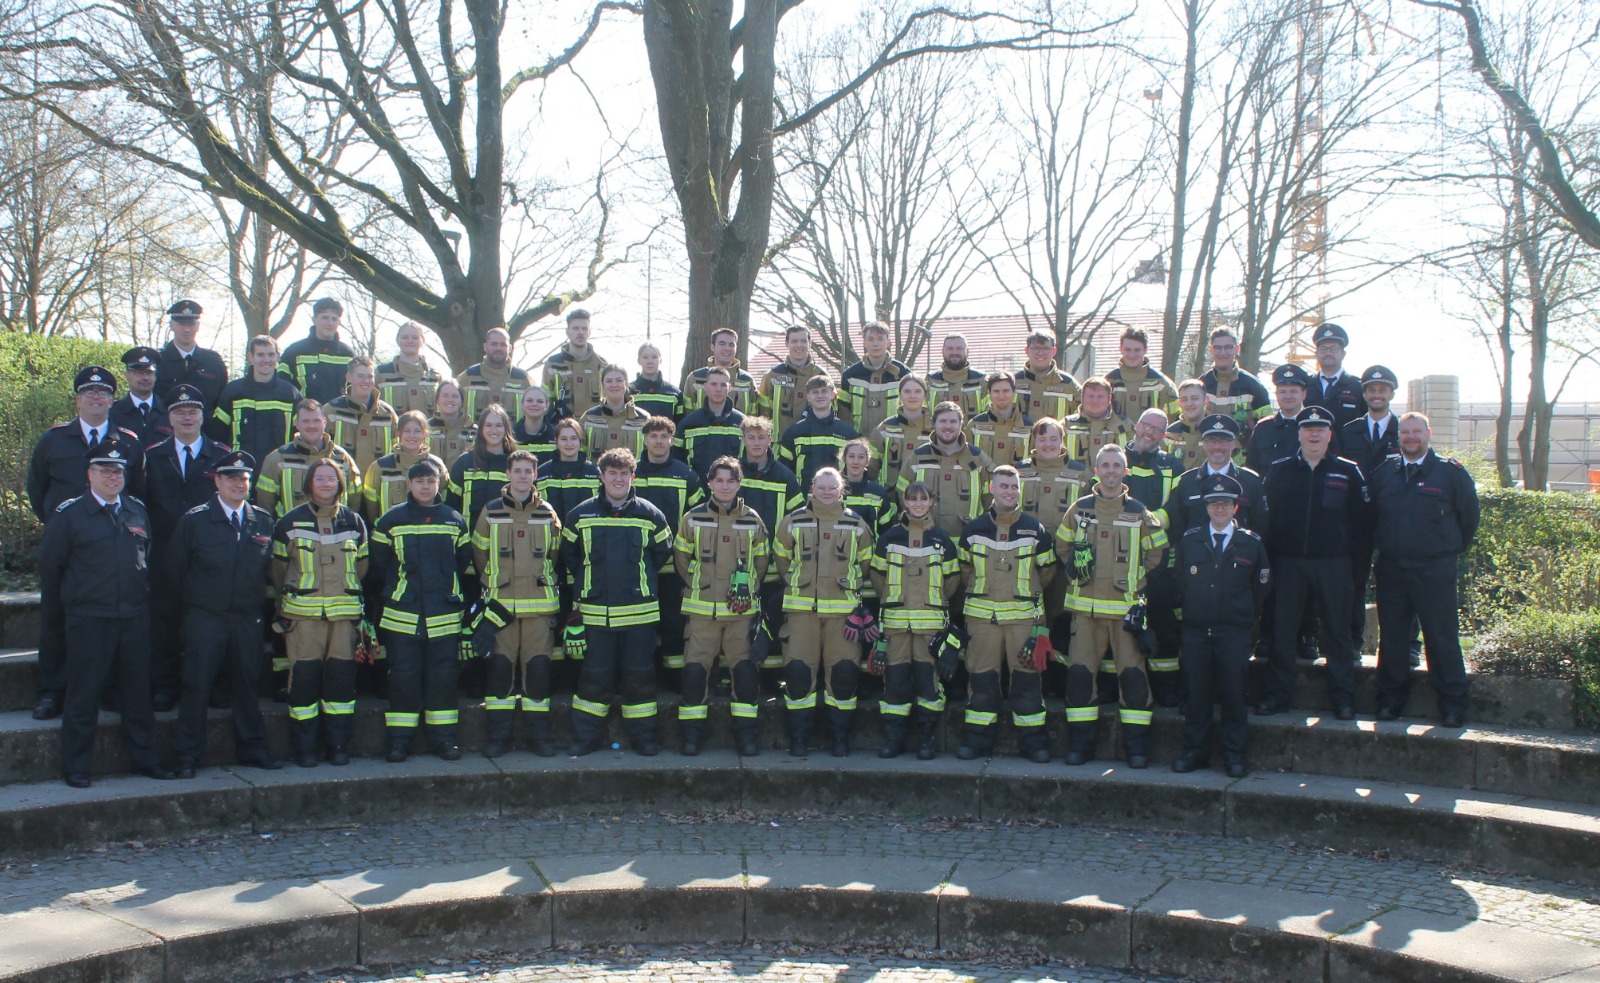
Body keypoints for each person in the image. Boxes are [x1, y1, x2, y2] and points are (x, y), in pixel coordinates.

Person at [39, 437, 174, 788]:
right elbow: (51, 570)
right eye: (105, 470)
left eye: (118, 470)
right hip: (89, 618)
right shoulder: (69, 514)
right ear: (89, 474)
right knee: (83, 695)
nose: (113, 476)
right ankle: (78, 767)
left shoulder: (135, 510)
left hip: (132, 617)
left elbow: (148, 559)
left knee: (137, 695)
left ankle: (146, 760)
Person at [27, 367, 145, 721]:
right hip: (67, 545)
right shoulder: (54, 440)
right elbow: (37, 490)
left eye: (104, 393)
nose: (97, 398)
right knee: (55, 617)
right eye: (89, 392)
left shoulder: (129, 442)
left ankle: (107, 688)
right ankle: (53, 691)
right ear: (77, 398)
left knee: (111, 622)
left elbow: (136, 491)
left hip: (111, 547)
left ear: (113, 399)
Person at [168, 450, 279, 777]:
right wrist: (183, 619)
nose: (238, 484)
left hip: (247, 618)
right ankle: (187, 755)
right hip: (206, 618)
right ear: (217, 481)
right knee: (197, 686)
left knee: (247, 686)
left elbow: (270, 570)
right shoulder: (195, 520)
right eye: (231, 478)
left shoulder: (262, 520)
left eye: (243, 479)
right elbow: (174, 573)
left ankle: (253, 748)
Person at [1058, 444, 1168, 768]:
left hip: (1125, 615)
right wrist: (1075, 571)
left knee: (1134, 681)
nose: (1110, 471)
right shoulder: (1079, 509)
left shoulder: (1138, 511)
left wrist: (1135, 580)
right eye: (1104, 465)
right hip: (1085, 613)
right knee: (1079, 679)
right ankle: (1080, 747)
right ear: (1096, 470)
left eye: (1116, 465)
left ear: (1125, 470)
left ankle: (1136, 750)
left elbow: (1157, 552)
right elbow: (1062, 546)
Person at [1258, 405, 1370, 719]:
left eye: (1320, 429)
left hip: (1334, 564)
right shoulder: (1279, 471)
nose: (1314, 434)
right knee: (1283, 632)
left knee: (1337, 632)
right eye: (1308, 429)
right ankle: (1278, 696)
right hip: (1288, 563)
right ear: (1299, 434)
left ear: (1330, 434)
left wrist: (1357, 569)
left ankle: (1343, 699)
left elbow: (1363, 525)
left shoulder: (1348, 471)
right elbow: (1266, 521)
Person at [560, 447, 675, 756]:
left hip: (639, 615)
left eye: (624, 473)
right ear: (602, 476)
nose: (618, 479)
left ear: (632, 476)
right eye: (612, 473)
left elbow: (663, 553)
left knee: (640, 679)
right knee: (593, 679)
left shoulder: (650, 514)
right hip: (595, 615)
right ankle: (586, 738)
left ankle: (643, 739)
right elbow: (569, 556)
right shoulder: (580, 514)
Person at [1370, 412, 1480, 727]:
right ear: (1398, 436)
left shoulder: (1450, 473)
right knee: (1392, 638)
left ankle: (1452, 705)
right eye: (1405, 432)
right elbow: (1373, 519)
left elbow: (1469, 519)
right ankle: (1390, 700)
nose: (1410, 437)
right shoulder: (1384, 474)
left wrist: (1446, 551)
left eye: (1416, 431)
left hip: (1435, 569)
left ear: (1428, 433)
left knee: (1441, 637)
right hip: (1392, 569)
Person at [369, 458, 473, 762]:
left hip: (443, 615)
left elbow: (462, 561)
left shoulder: (454, 519)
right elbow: (378, 565)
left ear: (439, 482)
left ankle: (444, 740)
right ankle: (399, 741)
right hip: (403, 615)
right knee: (403, 677)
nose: (425, 486)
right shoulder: (391, 520)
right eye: (419, 481)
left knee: (443, 678)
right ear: (409, 484)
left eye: (431, 480)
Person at [1171, 474, 1271, 778]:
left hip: (1233, 632)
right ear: (1206, 507)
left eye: (1225, 504)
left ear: (1235, 507)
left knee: (1233, 695)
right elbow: (1179, 583)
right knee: (1196, 694)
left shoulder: (1250, 543)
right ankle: (1194, 752)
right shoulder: (1190, 540)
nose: (1219, 509)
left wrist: (1242, 616)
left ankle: (1234, 755)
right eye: (1214, 504)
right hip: (1196, 631)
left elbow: (1261, 587)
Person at [956, 465, 1058, 763]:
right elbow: (964, 571)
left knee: (1027, 683)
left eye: (1014, 486)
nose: (1009, 491)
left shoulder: (1034, 528)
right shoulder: (974, 528)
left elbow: (1047, 571)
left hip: (1023, 621)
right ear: (992, 489)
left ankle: (1033, 743)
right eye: (1004, 486)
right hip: (982, 620)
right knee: (981, 682)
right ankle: (976, 742)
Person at [271, 458, 369, 767]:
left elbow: (362, 567)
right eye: (320, 478)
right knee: (303, 683)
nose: (326, 483)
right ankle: (306, 749)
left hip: (343, 618)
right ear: (309, 484)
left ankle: (338, 746)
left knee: (341, 683)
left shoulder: (354, 522)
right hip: (304, 619)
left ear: (341, 484)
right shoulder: (289, 522)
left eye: (332, 478)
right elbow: (277, 569)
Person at [772, 467, 875, 757]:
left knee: (843, 677)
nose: (827, 492)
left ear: (842, 490)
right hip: (801, 613)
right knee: (798, 675)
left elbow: (865, 565)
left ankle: (840, 739)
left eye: (833, 487)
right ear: (812, 489)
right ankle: (799, 738)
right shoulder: (792, 521)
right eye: (821, 487)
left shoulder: (856, 523)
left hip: (843, 617)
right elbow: (781, 559)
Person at [143, 384, 234, 711]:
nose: (186, 417)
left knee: (210, 623)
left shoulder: (222, 455)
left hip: (209, 554)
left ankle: (215, 686)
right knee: (165, 622)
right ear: (169, 417)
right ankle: (165, 686)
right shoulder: (152, 456)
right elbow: (142, 504)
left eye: (192, 411)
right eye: (179, 412)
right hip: (165, 553)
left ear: (202, 416)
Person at [674, 456, 770, 756]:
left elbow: (763, 562)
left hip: (740, 615)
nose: (725, 486)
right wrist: (698, 587)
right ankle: (691, 736)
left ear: (739, 483)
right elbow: (681, 560)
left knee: (744, 675)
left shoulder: (753, 520)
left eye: (731, 480)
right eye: (720, 480)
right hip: (702, 612)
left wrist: (749, 591)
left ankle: (746, 737)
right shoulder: (692, 518)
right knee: (693, 674)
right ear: (710, 482)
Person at [472, 449, 563, 757]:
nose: (523, 476)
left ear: (535, 475)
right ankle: (499, 739)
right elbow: (479, 555)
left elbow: (554, 555)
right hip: (501, 610)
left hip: (539, 609)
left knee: (538, 672)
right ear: (508, 474)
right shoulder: (491, 511)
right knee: (500, 672)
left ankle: (539, 738)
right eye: (518, 471)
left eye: (528, 471)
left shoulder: (548, 513)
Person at [869, 481, 960, 760]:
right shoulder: (890, 538)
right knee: (894, 682)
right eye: (912, 499)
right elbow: (877, 576)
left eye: (923, 499)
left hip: (929, 627)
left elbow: (952, 580)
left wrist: (930, 603)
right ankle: (894, 739)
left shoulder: (942, 539)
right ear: (904, 502)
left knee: (927, 682)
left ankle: (926, 740)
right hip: (896, 625)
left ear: (931, 501)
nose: (918, 504)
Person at [1122, 408, 1185, 706]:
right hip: (1118, 557)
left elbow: (1176, 508)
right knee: (1118, 625)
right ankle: (1114, 687)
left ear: (1164, 435)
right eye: (1146, 425)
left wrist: (1147, 519)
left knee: (1163, 625)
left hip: (1158, 561)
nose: (1150, 432)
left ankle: (1167, 689)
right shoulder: (1116, 458)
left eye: (1158, 429)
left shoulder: (1172, 465)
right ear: (1136, 425)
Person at [634, 416, 705, 675]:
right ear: (645, 439)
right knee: (640, 625)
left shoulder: (686, 474)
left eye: (664, 436)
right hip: (637, 565)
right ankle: (645, 674)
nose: (659, 441)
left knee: (674, 624)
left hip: (674, 565)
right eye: (653, 436)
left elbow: (700, 517)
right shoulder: (632, 472)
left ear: (672, 440)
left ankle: (674, 677)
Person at [1340, 364, 1401, 648]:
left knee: (1400, 586)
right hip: (1358, 519)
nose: (1377, 395)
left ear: (1391, 393)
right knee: (1355, 582)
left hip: (1394, 519)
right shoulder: (1348, 431)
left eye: (1383, 390)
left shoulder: (1404, 430)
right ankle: (1352, 642)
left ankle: (1404, 646)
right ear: (1364, 394)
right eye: (1372, 390)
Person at [739, 416, 803, 673]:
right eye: (751, 437)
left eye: (761, 437)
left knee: (774, 618)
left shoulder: (784, 476)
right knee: (739, 621)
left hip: (776, 564)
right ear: (743, 440)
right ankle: (737, 673)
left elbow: (797, 519)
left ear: (770, 440)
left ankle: (772, 676)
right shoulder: (733, 473)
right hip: (740, 562)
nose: (756, 443)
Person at [898, 401, 994, 537]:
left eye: (953, 421)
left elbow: (991, 499)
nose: (948, 426)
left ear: (961, 424)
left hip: (968, 540)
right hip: (926, 540)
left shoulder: (977, 458)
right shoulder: (918, 457)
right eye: (942, 421)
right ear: (933, 424)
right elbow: (902, 495)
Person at [210, 335, 302, 473]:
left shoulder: (290, 394)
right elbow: (217, 434)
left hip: (280, 471)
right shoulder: (233, 391)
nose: (266, 360)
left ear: (278, 356)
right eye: (260, 355)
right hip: (240, 471)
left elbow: (301, 435)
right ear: (251, 357)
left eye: (271, 354)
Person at [256, 399, 362, 519]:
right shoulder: (277, 459)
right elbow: (265, 504)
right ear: (297, 423)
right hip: (291, 534)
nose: (311, 426)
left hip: (336, 534)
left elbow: (354, 499)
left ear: (324, 422)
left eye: (316, 420)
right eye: (306, 421)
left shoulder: (342, 457)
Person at [1166, 415, 1268, 535]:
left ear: (1233, 444)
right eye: (1212, 441)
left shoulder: (1250, 482)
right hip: (1196, 553)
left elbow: (1261, 529)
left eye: (1223, 441)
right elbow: (1178, 529)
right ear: (1204, 444)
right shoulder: (1187, 482)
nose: (1217, 447)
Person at [363, 410, 446, 525]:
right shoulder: (380, 467)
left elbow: (444, 502)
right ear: (398, 433)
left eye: (417, 431)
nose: (412, 436)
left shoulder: (437, 465)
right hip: (390, 532)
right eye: (407, 431)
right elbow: (371, 506)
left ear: (425, 434)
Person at [325, 355, 399, 474]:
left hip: (377, 483)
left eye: (370, 376)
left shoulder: (387, 413)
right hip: (342, 483)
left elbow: (398, 450)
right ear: (349, 377)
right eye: (360, 376)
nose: (366, 381)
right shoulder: (331, 410)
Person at [778, 375, 858, 485]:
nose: (820, 395)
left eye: (824, 391)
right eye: (815, 392)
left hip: (836, 498)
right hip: (803, 498)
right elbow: (784, 470)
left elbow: (855, 472)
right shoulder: (794, 433)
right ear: (808, 397)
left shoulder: (848, 433)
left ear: (833, 394)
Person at [154, 299, 229, 414]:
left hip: (206, 430)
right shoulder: (158, 361)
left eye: (191, 324)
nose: (187, 329)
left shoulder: (213, 362)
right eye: (181, 324)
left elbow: (222, 402)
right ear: (171, 325)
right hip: (166, 429)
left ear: (198, 326)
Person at [448, 403, 516, 527]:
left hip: (507, 541)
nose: (494, 430)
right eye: (488, 425)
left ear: (506, 429)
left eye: (499, 425)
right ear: (481, 429)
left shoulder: (515, 464)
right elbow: (451, 506)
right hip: (469, 540)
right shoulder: (463, 463)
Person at [279, 298, 356, 404]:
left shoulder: (348, 354)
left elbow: (356, 390)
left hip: (340, 418)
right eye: (324, 318)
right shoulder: (294, 352)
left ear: (339, 322)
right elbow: (282, 388)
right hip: (305, 418)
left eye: (334, 319)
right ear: (314, 320)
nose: (330, 323)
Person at [839, 321, 910, 435]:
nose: (875, 343)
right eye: (871, 339)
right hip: (859, 445)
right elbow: (843, 415)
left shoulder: (904, 374)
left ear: (888, 342)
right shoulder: (850, 375)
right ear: (864, 343)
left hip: (892, 443)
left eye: (880, 338)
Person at [1200, 328, 1273, 440]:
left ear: (1237, 348)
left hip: (1244, 456)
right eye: (1217, 348)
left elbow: (1267, 428)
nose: (1223, 353)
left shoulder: (1254, 386)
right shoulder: (1201, 385)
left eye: (1228, 347)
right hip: (1208, 454)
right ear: (1211, 350)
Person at [540, 308, 609, 419]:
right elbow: (544, 402)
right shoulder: (552, 365)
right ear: (567, 332)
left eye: (584, 328)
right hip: (563, 430)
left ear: (589, 332)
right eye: (576, 328)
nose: (580, 332)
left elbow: (610, 401)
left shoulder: (602, 365)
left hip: (595, 428)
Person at [759, 325, 827, 435]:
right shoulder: (773, 376)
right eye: (794, 341)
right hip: (779, 444)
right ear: (786, 343)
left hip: (813, 443)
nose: (799, 345)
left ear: (810, 342)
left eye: (803, 341)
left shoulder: (822, 375)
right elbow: (762, 415)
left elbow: (831, 412)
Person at [1246, 364, 1311, 475]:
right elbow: (1252, 469)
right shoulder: (1263, 428)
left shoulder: (1315, 427)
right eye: (1282, 392)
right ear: (1276, 394)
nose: (1288, 396)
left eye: (1293, 391)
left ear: (1303, 394)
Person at [458, 326, 532, 422]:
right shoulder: (468, 376)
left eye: (503, 345)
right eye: (494, 344)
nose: (498, 348)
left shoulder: (523, 379)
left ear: (509, 348)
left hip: (514, 437)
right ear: (485, 346)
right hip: (474, 436)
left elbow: (538, 412)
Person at [1105, 328, 1177, 421]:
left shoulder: (1163, 384)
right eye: (1128, 349)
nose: (1132, 354)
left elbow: (1174, 420)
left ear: (1145, 350)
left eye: (1137, 350)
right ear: (1120, 349)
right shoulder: (1107, 382)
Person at [537, 417, 601, 523]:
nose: (569, 444)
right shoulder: (542, 473)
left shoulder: (594, 472)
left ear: (581, 441)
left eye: (574, 438)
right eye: (564, 439)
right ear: (556, 441)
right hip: (553, 535)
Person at [1305, 322, 1365, 432]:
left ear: (1343, 354)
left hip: (1347, 448)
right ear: (1316, 353)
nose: (1328, 353)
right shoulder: (1305, 385)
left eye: (1333, 348)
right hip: (1313, 447)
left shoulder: (1358, 387)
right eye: (1323, 348)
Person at [874, 374, 933, 487]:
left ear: (925, 395)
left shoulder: (935, 429)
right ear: (900, 395)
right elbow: (871, 468)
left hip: (925, 501)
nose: (912, 396)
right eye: (907, 391)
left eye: (917, 391)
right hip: (890, 500)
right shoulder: (885, 428)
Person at [681, 327, 757, 414]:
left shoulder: (747, 380)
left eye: (731, 345)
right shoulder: (695, 378)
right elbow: (687, 416)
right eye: (722, 344)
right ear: (712, 347)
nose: (727, 348)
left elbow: (754, 417)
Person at [580, 364, 651, 458]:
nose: (614, 385)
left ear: (626, 384)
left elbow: (650, 455)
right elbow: (579, 453)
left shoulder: (643, 418)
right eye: (609, 381)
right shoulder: (589, 417)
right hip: (596, 473)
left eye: (619, 380)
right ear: (602, 385)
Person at [376, 321, 446, 414]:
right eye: (405, 337)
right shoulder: (381, 373)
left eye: (415, 337)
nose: (410, 341)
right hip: (395, 428)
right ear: (397, 340)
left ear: (422, 341)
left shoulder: (434, 375)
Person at [966, 372, 1032, 469]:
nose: (1001, 396)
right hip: (983, 484)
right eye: (996, 391)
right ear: (989, 393)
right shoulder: (974, 425)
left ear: (1014, 392)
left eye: (1006, 391)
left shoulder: (1029, 427)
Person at [110, 346, 171, 448]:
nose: (145, 378)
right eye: (139, 373)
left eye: (149, 372)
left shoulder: (169, 411)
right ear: (127, 375)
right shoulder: (113, 413)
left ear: (155, 376)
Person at [1062, 376, 1130, 464]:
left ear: (1109, 399)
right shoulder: (1065, 426)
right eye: (1090, 396)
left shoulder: (1126, 426)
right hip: (1076, 478)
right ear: (1082, 398)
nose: (1095, 401)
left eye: (1100, 396)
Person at [1015, 330, 1080, 422]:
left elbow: (1088, 413)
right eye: (1036, 348)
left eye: (1046, 348)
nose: (1041, 353)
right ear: (1027, 350)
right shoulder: (1013, 382)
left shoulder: (1068, 383)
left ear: (1054, 351)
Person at [841, 438, 895, 537]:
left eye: (861, 457)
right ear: (844, 459)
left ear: (867, 460)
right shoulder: (832, 490)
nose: (855, 462)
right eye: (851, 456)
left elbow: (886, 532)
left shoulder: (879, 493)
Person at [928, 333, 987, 420]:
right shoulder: (929, 381)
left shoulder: (982, 381)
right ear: (942, 351)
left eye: (959, 348)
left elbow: (990, 415)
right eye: (950, 349)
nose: (954, 353)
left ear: (967, 351)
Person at [1164, 380, 1209, 474]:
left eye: (1194, 398)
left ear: (1206, 400)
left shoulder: (1216, 431)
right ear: (1179, 403)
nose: (1189, 404)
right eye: (1184, 399)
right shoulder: (1169, 434)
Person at [630, 341, 682, 421]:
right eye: (645, 357)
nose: (650, 361)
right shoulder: (628, 391)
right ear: (638, 361)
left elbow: (679, 424)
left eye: (654, 357)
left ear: (660, 360)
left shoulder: (674, 393)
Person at [428, 380, 476, 465]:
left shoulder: (475, 431)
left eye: (455, 396)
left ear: (462, 401)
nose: (450, 400)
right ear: (437, 400)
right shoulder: (426, 428)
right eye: (445, 396)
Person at [512, 386, 557, 459]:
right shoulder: (511, 435)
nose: (534, 404)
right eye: (529, 400)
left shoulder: (556, 434)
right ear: (522, 404)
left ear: (547, 405)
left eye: (540, 401)